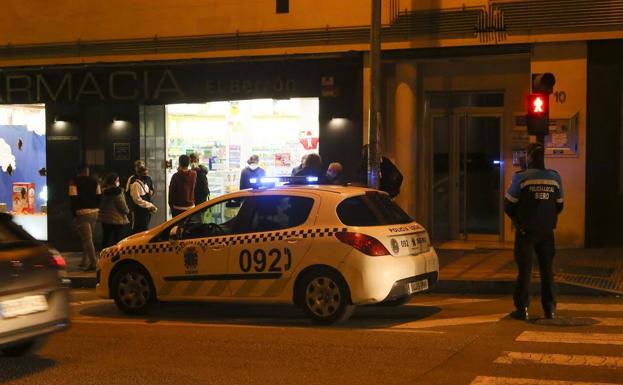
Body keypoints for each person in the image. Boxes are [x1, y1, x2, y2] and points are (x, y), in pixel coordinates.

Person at [504, 142, 564, 321]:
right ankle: (550, 309)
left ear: (529, 157)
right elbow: (560, 205)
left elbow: (509, 204)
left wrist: (518, 219)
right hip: (546, 232)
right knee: (547, 270)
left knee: (525, 270)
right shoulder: (555, 177)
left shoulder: (521, 177)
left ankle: (522, 309)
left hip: (525, 232)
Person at [69, 164, 101, 271]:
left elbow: (73, 198)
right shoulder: (95, 182)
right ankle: (84, 260)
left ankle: (93, 262)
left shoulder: (74, 182)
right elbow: (99, 196)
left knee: (87, 239)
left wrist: (74, 214)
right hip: (94, 212)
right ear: (87, 171)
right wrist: (97, 207)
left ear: (79, 172)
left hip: (82, 213)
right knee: (88, 238)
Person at [99, 172, 129, 249]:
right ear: (114, 181)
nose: (118, 182)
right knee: (118, 240)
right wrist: (127, 211)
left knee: (106, 238)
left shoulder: (103, 191)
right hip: (117, 219)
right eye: (117, 180)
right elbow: (122, 205)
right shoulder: (118, 191)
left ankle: (103, 255)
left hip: (105, 219)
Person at [125, 160, 154, 228]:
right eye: (138, 167)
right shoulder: (132, 179)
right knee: (136, 225)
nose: (140, 168)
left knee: (146, 225)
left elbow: (152, 188)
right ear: (136, 168)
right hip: (136, 206)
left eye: (142, 166)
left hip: (147, 205)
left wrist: (150, 193)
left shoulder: (148, 178)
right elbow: (127, 192)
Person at [130, 165, 158, 233]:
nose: (146, 176)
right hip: (140, 212)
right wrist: (149, 205)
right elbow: (137, 200)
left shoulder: (145, 183)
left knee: (145, 227)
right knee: (139, 229)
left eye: (147, 173)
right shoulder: (135, 185)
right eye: (144, 174)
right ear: (139, 174)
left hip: (146, 211)